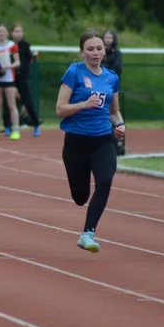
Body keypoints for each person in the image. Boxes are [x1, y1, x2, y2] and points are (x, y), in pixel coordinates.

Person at [56, 30, 125, 253]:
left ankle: (88, 233)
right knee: (80, 196)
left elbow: (114, 111)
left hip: (102, 140)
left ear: (104, 50)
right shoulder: (73, 73)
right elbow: (60, 109)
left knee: (105, 181)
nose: (95, 53)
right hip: (76, 143)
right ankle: (86, 225)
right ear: (82, 52)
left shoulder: (111, 77)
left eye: (99, 49)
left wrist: (120, 125)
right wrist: (84, 105)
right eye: (90, 49)